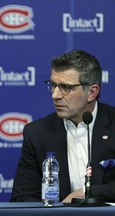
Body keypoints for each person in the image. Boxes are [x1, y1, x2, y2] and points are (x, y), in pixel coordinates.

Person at [10, 49, 115, 203]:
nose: (55, 95)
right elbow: (23, 198)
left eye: (66, 87)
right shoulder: (37, 133)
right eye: (53, 85)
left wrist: (87, 192)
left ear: (92, 92)